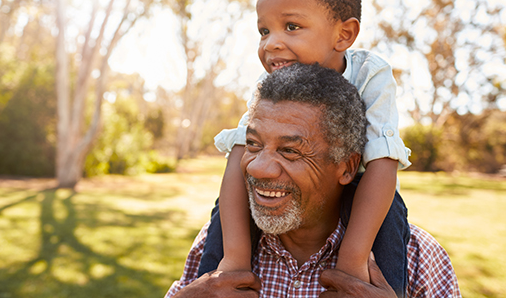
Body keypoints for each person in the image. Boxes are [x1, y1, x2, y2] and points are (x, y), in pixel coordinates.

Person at [166, 63, 461, 298]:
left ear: (347, 168)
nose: (259, 168)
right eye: (253, 145)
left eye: (290, 151)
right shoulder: (216, 243)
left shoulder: (418, 257)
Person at [199, 0, 412, 295]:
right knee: (226, 207)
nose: (271, 43)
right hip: (301, 196)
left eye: (291, 26)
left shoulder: (370, 74)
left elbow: (383, 161)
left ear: (344, 35)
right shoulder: (269, 83)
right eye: (264, 31)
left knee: (391, 215)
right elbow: (238, 156)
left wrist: (352, 263)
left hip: (365, 190)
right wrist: (233, 258)